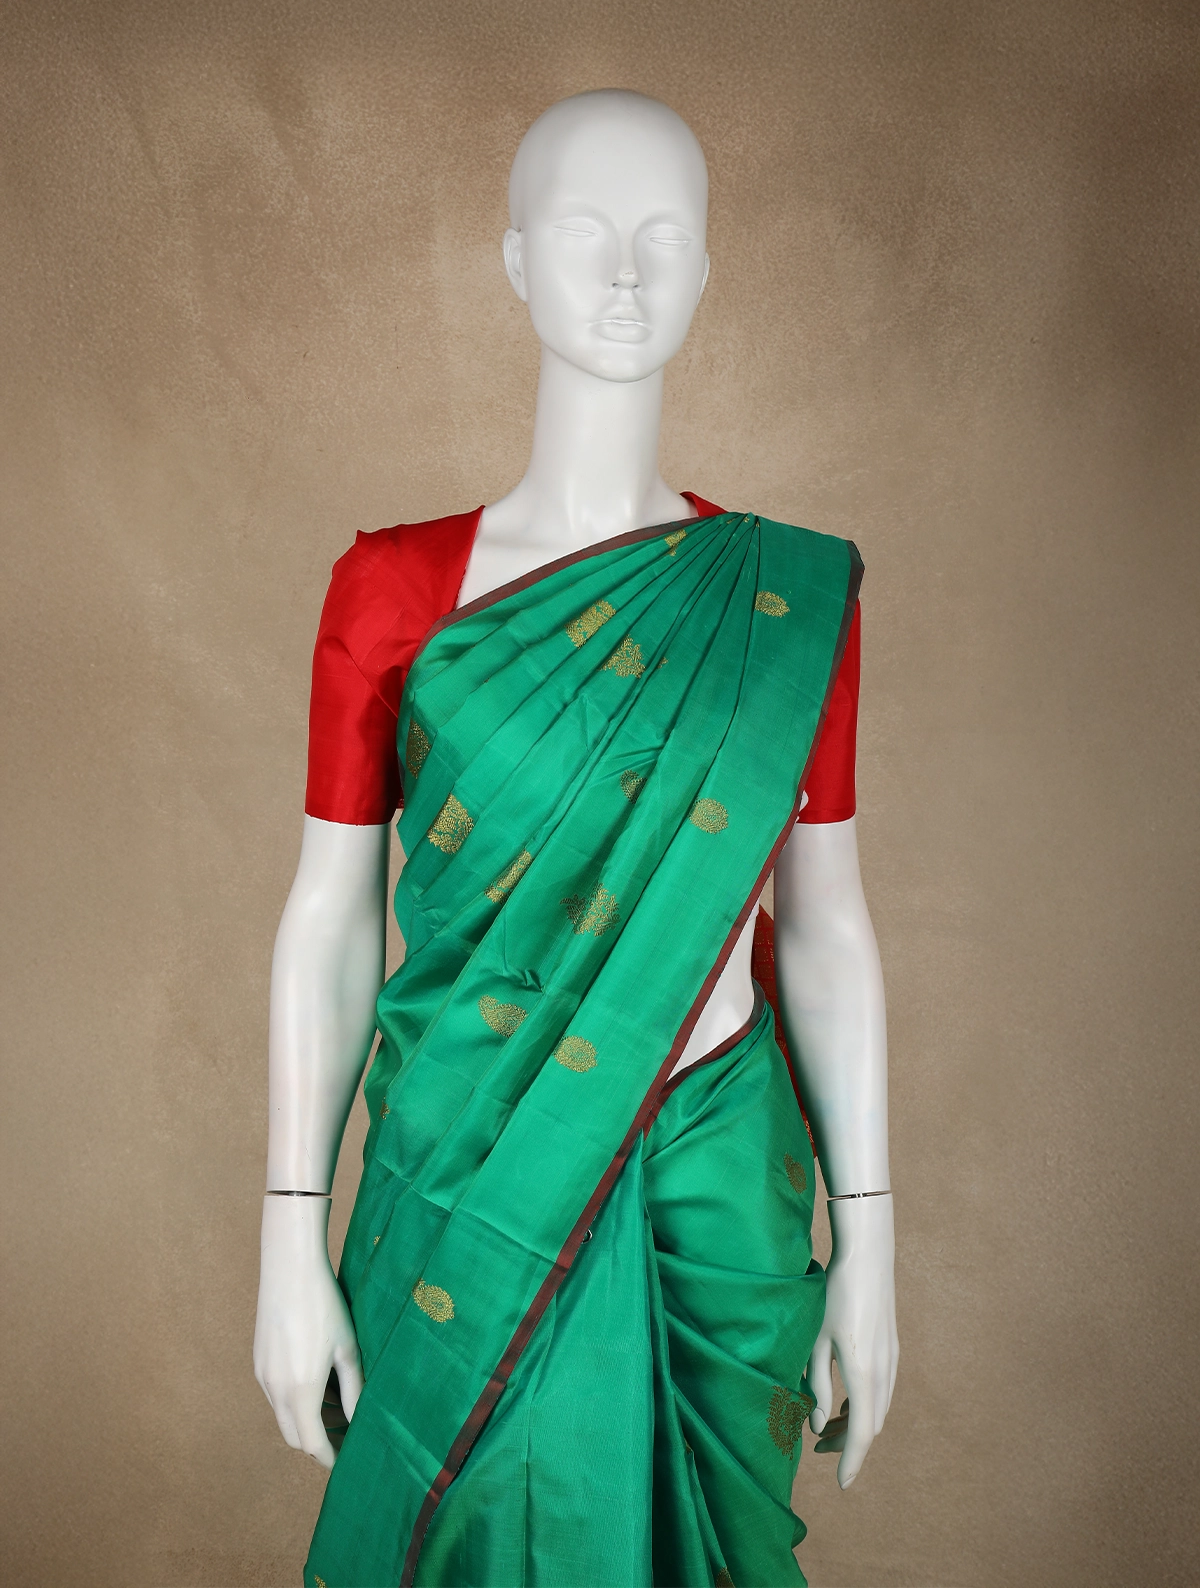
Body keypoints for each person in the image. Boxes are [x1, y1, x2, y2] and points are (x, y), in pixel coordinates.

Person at [254, 89, 898, 1588]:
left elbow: (827, 926)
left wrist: (873, 1238)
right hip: (473, 1164)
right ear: (513, 260)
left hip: (715, 1194)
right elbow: (329, 916)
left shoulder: (783, 606)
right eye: (582, 232)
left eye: (663, 237)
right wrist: (288, 1230)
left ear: (709, 267)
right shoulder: (394, 592)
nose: (623, 274)